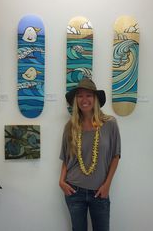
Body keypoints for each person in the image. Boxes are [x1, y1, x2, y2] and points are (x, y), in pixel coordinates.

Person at [59, 78, 121, 231]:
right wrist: (61, 181)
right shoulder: (70, 126)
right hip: (74, 191)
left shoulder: (110, 124)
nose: (84, 100)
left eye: (88, 95)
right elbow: (66, 159)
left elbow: (116, 156)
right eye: (80, 96)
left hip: (99, 191)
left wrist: (107, 185)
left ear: (95, 99)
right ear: (75, 100)